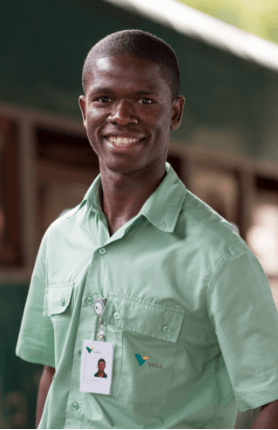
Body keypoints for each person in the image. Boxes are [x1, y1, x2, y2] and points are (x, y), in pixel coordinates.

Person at [15, 29, 278, 429]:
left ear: (174, 112)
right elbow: (54, 374)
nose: (121, 115)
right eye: (104, 99)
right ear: (85, 110)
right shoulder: (60, 238)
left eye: (145, 99)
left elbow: (271, 399)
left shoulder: (219, 255)